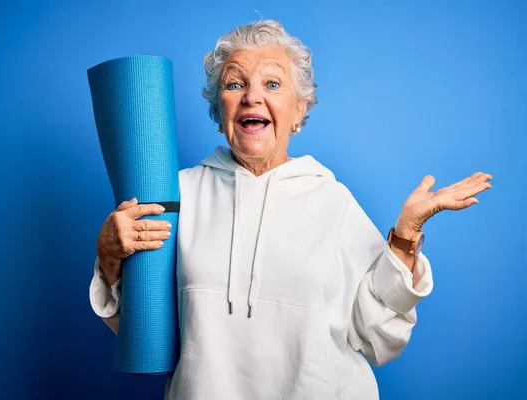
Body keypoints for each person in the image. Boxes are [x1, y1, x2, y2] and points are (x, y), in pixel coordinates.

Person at [89, 19, 492, 399]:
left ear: (299, 109)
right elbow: (144, 330)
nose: (252, 96)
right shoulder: (178, 195)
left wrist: (404, 236)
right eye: (234, 84)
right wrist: (110, 257)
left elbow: (377, 337)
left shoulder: (332, 201)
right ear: (219, 109)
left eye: (272, 83)